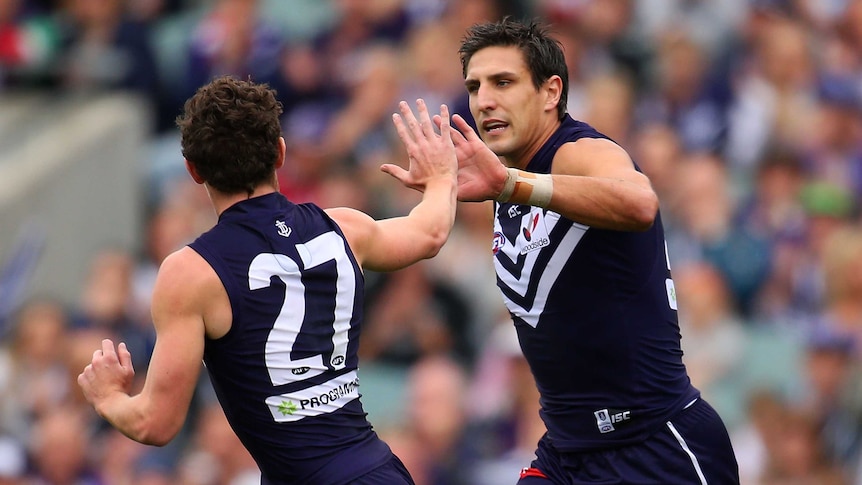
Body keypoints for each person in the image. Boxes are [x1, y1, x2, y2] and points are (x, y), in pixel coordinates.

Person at [77, 75, 459, 484]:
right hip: (378, 471)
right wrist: (440, 176)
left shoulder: (191, 272)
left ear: (193, 170)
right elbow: (429, 232)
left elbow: (156, 423)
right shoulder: (342, 228)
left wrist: (108, 398)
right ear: (280, 153)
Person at [432, 17, 739, 483]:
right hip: (568, 452)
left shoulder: (571, 152)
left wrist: (510, 184)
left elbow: (640, 202)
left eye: (503, 82)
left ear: (551, 92)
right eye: (475, 87)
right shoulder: (510, 180)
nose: (484, 100)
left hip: (653, 447)